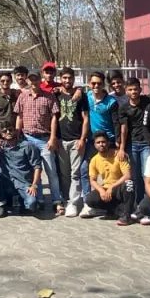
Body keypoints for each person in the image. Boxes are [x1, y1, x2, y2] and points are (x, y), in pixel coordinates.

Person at [15, 72, 63, 214]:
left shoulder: (49, 96)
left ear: (39, 81)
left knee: (51, 171)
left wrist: (53, 137)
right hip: (28, 138)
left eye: (36, 80)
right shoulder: (22, 96)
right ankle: (40, 199)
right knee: (34, 170)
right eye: (31, 80)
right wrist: (18, 136)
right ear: (28, 82)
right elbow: (19, 116)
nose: (33, 83)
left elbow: (55, 117)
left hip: (44, 138)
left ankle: (56, 200)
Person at [84, 71, 127, 204]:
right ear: (89, 84)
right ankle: (87, 200)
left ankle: (118, 200)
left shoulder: (111, 102)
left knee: (114, 172)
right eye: (93, 83)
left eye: (99, 83)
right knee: (85, 170)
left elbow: (116, 122)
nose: (96, 85)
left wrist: (118, 141)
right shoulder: (87, 97)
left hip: (109, 141)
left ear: (103, 85)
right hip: (92, 141)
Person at [56, 66, 89, 217]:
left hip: (76, 139)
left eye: (70, 78)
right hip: (61, 140)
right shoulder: (56, 95)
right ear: (60, 79)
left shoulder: (81, 96)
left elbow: (85, 118)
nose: (67, 80)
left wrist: (82, 138)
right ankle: (65, 199)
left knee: (75, 173)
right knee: (64, 173)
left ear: (74, 79)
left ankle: (73, 203)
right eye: (64, 78)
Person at [82, 131, 135, 225]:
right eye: (98, 142)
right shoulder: (94, 160)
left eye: (103, 142)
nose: (101, 144)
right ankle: (113, 210)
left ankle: (127, 215)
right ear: (94, 145)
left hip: (119, 188)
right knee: (90, 199)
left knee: (129, 183)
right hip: (106, 189)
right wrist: (101, 190)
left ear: (108, 143)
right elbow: (92, 180)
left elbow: (127, 176)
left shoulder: (119, 155)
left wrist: (112, 187)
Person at [0, 124, 42, 217]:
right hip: (9, 182)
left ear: (15, 131)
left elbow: (37, 167)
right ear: (2, 135)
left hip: (24, 183)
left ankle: (23, 201)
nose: (8, 132)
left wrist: (34, 185)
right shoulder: (1, 147)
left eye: (10, 129)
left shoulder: (27, 146)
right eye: (5, 131)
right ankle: (2, 205)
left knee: (31, 204)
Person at [123, 78, 150, 210]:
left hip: (147, 143)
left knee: (146, 174)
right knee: (134, 176)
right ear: (126, 91)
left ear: (140, 90)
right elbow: (123, 128)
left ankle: (149, 204)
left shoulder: (149, 102)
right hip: (132, 144)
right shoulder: (124, 108)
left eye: (136, 89)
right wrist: (121, 148)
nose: (133, 91)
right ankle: (138, 204)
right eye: (130, 89)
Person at [0, 72, 19, 145]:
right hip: (2, 134)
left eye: (8, 80)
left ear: (11, 81)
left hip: (15, 133)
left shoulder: (17, 96)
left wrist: (18, 133)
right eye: (2, 81)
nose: (5, 83)